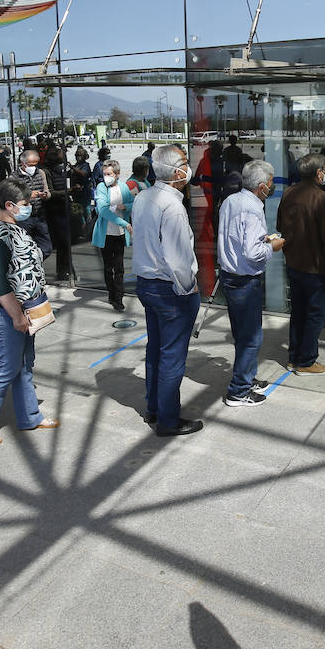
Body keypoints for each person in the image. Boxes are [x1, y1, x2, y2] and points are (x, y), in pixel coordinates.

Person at [0, 179, 59, 446]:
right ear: (9, 205)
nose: (29, 207)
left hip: (21, 308)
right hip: (4, 310)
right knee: (7, 367)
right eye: (25, 204)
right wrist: (16, 316)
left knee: (24, 364)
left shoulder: (12, 226)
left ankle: (30, 416)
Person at [132, 145, 203, 436]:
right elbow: (178, 258)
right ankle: (168, 419)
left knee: (156, 349)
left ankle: (155, 407)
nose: (188, 167)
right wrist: (189, 289)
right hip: (169, 288)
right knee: (172, 356)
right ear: (176, 173)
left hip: (147, 284)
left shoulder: (144, 197)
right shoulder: (172, 206)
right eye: (185, 163)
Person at [216, 159, 284, 407]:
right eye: (271, 182)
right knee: (251, 337)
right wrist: (272, 246)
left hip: (230, 276)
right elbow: (253, 253)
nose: (272, 185)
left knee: (242, 334)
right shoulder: (253, 208)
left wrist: (262, 240)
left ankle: (246, 377)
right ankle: (238, 391)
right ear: (262, 186)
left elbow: (237, 238)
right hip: (244, 279)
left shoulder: (231, 200)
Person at [276, 153, 325, 376]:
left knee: (298, 311)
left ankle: (294, 357)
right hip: (316, 268)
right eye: (324, 168)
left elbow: (280, 226)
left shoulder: (288, 193)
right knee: (315, 314)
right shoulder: (323, 199)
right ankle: (306, 360)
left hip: (294, 263)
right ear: (318, 173)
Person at [92, 158, 133, 311]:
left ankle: (119, 297)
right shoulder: (101, 187)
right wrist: (125, 223)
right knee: (109, 267)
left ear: (117, 174)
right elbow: (103, 210)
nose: (106, 177)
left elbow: (133, 203)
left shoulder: (123, 187)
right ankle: (112, 294)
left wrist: (125, 206)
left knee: (119, 267)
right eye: (104, 174)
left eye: (109, 174)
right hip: (106, 233)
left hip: (120, 234)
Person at [16, 149, 53, 257]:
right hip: (23, 217)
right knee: (24, 247)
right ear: (23, 163)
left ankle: (33, 263)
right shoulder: (14, 177)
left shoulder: (40, 173)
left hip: (39, 215)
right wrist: (28, 196)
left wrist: (45, 195)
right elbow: (11, 197)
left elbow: (47, 191)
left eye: (36, 164)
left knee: (46, 248)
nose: (33, 167)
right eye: (30, 164)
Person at [44, 147, 74, 279]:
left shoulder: (61, 170)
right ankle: (63, 269)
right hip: (55, 210)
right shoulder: (46, 172)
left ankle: (65, 269)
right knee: (62, 241)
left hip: (63, 207)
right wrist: (68, 191)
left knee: (65, 242)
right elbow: (50, 192)